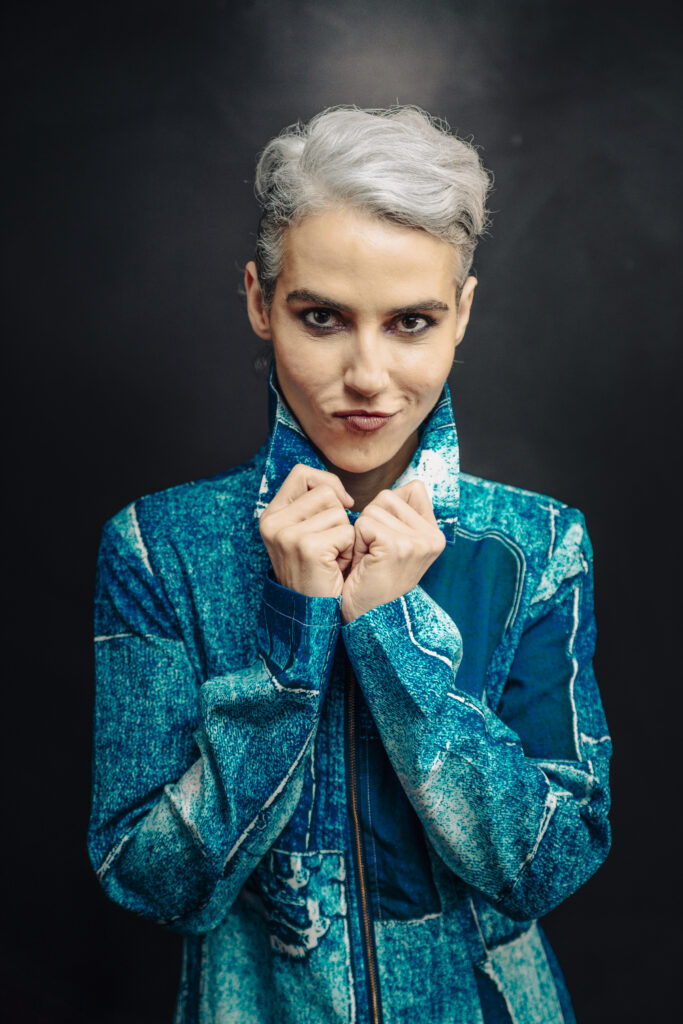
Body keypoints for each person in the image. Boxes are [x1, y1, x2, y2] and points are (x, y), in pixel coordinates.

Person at [88, 106, 612, 1024]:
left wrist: (394, 637)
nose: (367, 375)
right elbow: (150, 880)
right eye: (322, 317)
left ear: (461, 314)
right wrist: (290, 651)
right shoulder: (158, 546)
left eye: (410, 322)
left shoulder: (536, 544)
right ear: (259, 302)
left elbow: (549, 864)